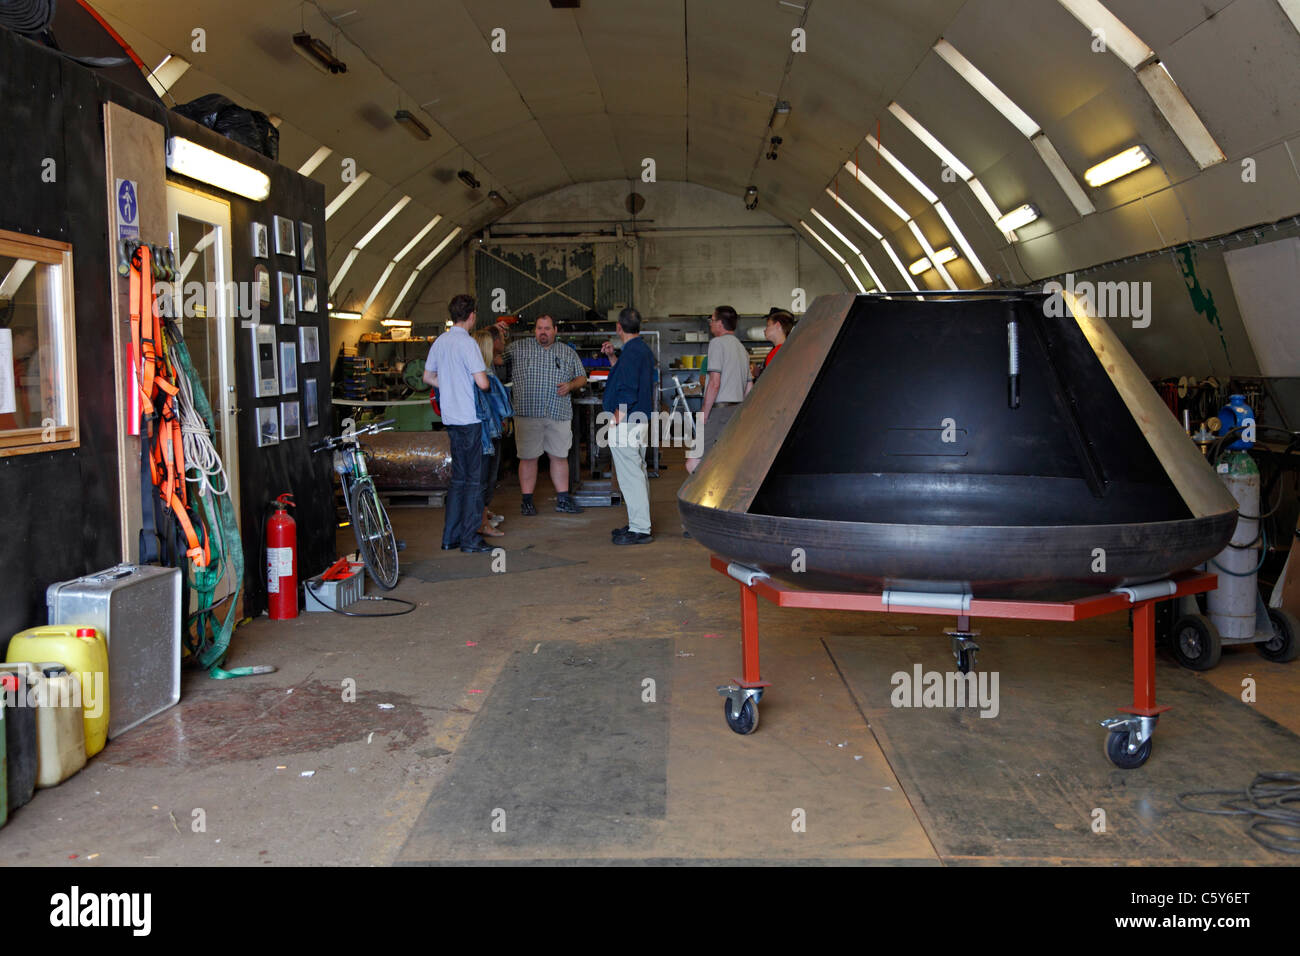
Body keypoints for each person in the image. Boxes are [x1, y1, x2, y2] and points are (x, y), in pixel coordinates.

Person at [423, 294, 492, 553]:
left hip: (450, 419)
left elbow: (428, 376)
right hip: (469, 419)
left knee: (458, 480)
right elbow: (483, 383)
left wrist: (450, 385)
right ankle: (470, 539)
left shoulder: (441, 342)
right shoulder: (468, 343)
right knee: (475, 480)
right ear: (472, 315)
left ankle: (450, 537)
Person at [506, 313, 588, 515]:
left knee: (559, 456)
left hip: (558, 412)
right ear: (535, 330)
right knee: (527, 458)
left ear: (555, 331)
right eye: (539, 328)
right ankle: (526, 502)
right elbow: (496, 358)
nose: (543, 332)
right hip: (527, 413)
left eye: (547, 328)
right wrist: (494, 335)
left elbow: (582, 378)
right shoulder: (518, 347)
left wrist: (571, 385)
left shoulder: (567, 352)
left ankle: (563, 500)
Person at [600, 307, 656, 545]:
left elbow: (628, 389)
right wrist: (614, 359)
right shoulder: (640, 350)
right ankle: (638, 522)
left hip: (628, 421)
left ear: (619, 328)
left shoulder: (633, 352)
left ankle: (641, 528)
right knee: (637, 473)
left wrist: (615, 419)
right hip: (639, 419)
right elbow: (630, 378)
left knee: (631, 476)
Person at [684, 305, 752, 474]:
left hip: (719, 411)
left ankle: (703, 499)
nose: (710, 324)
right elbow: (749, 387)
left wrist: (704, 413)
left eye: (712, 320)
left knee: (693, 462)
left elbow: (714, 382)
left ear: (720, 323)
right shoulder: (742, 349)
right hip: (736, 412)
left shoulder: (717, 343)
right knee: (725, 461)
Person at [473, 328, 512, 539]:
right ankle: (481, 523)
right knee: (484, 478)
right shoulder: (484, 376)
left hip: (489, 430)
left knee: (487, 477)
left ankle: (483, 515)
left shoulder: (484, 370)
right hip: (486, 432)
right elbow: (499, 406)